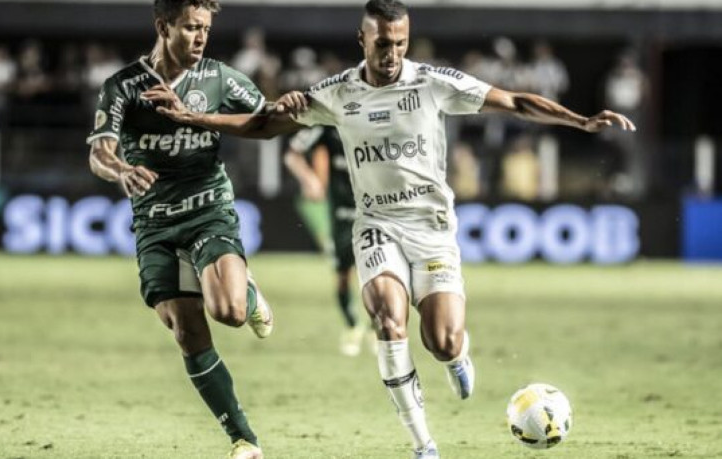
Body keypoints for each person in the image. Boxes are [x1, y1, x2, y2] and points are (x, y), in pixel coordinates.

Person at [142, 1, 635, 457]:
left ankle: (457, 355)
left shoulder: (433, 82)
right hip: (377, 226)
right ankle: (424, 445)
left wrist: (582, 120)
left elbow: (515, 102)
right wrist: (194, 117)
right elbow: (263, 125)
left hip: (433, 229)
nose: (392, 53)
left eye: (400, 43)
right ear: (363, 38)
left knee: (440, 340)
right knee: (388, 322)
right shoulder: (337, 93)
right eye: (383, 43)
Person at [86, 1, 275, 458]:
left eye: (205, 29)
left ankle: (247, 295)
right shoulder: (123, 87)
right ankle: (244, 439)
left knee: (228, 311)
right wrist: (121, 170)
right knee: (186, 331)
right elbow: (99, 152)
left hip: (208, 208)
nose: (200, 37)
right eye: (190, 27)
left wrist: (289, 108)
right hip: (154, 223)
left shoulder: (220, 79)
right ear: (162, 26)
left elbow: (267, 122)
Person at [283, 126, 369, 356]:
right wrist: (309, 179)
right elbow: (292, 153)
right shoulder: (329, 123)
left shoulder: (376, 114)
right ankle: (352, 326)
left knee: (378, 273)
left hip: (375, 210)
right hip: (340, 213)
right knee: (343, 275)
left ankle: (380, 330)